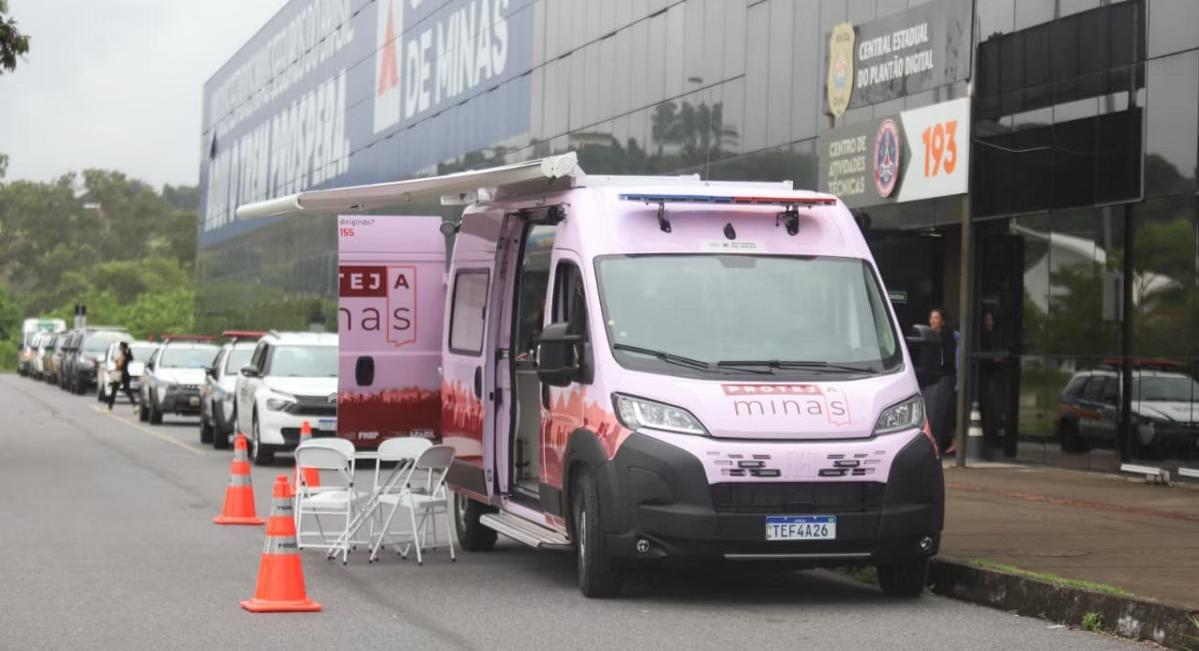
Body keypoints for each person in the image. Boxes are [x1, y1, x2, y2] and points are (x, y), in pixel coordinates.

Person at [922, 308, 958, 455]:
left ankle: (935, 445)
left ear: (942, 321)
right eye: (931, 318)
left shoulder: (946, 337)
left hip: (944, 376)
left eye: (936, 318)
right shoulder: (929, 336)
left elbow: (947, 360)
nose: (933, 321)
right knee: (929, 410)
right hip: (932, 377)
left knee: (937, 411)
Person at [107, 342, 137, 411]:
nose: (119, 347)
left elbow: (119, 366)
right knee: (128, 391)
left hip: (120, 375)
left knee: (114, 391)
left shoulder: (122, 355)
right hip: (126, 374)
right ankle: (135, 405)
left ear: (123, 347)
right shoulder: (128, 355)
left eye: (120, 346)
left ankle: (110, 408)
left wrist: (116, 362)